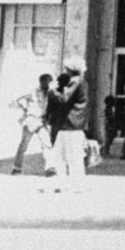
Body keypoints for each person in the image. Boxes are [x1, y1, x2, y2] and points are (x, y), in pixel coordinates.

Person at [44, 55, 89, 194]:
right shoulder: (81, 81)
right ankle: (71, 184)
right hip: (71, 125)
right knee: (68, 156)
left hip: (69, 124)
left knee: (66, 156)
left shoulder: (75, 81)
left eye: (67, 68)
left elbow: (63, 99)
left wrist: (52, 90)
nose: (64, 70)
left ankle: (72, 184)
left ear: (72, 69)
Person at [11, 73, 54, 174]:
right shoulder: (32, 91)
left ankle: (50, 168)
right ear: (41, 82)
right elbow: (15, 100)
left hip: (42, 121)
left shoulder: (50, 93)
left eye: (50, 82)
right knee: (24, 145)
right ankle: (16, 167)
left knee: (47, 143)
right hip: (31, 121)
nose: (48, 85)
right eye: (47, 82)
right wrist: (24, 109)